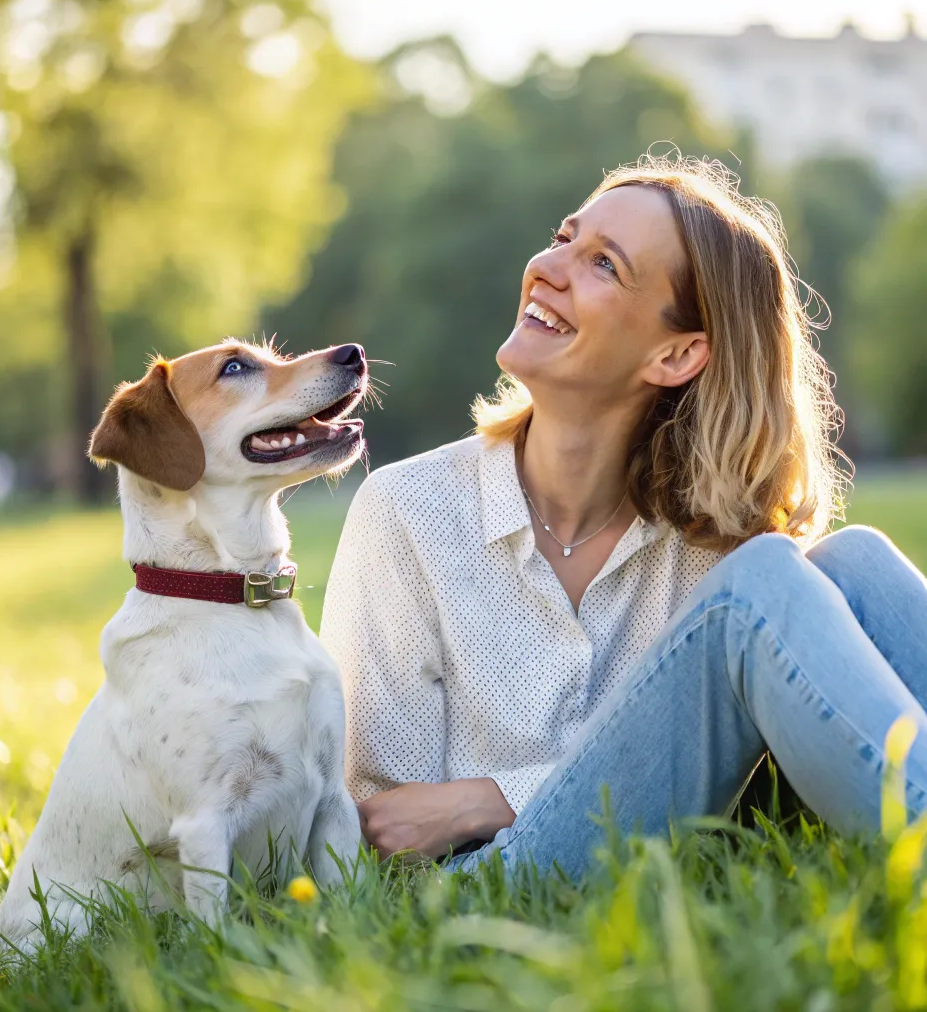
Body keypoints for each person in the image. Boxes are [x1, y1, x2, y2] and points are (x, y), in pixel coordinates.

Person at [319, 155, 927, 879]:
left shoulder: (717, 543)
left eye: (603, 263)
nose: (548, 267)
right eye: (564, 237)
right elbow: (389, 823)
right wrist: (498, 812)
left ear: (676, 355)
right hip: (480, 888)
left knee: (852, 563)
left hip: (664, 870)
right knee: (768, 579)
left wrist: (491, 795)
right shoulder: (409, 513)